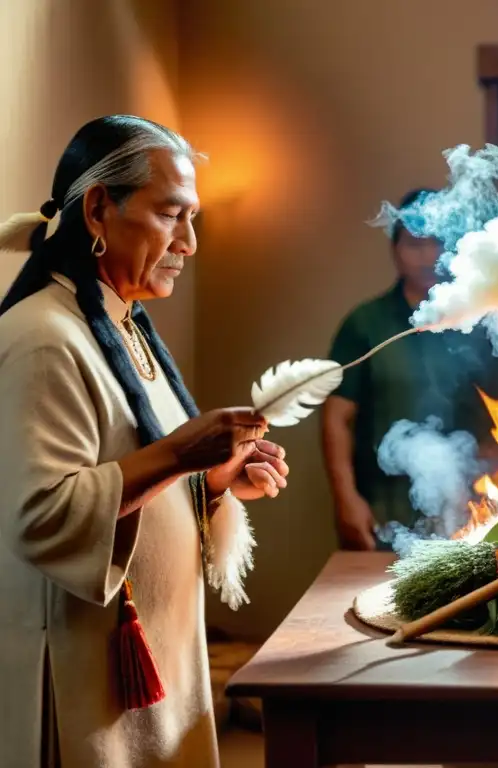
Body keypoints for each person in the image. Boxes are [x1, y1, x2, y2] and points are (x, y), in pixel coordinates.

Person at [0, 115, 289, 767]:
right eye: (171, 216)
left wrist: (213, 480)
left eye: (193, 221)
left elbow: (138, 471)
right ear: (99, 210)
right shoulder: (45, 337)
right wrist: (181, 454)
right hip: (84, 666)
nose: (189, 242)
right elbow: (41, 514)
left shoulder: (123, 326)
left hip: (158, 657)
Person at [321, 187, 498, 550]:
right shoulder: (366, 324)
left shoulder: (482, 323)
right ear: (395, 249)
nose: (427, 256)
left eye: (437, 243)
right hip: (386, 511)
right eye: (414, 244)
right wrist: (346, 500)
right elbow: (335, 418)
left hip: (472, 509)